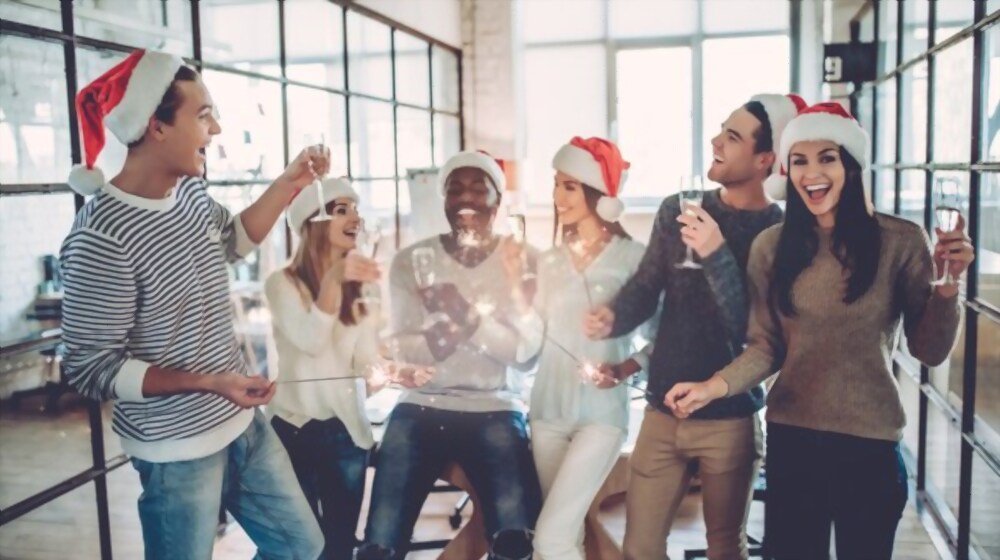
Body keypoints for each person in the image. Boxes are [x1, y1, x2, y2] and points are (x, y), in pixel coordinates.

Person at [665, 102, 973, 559]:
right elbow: (766, 347)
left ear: (850, 164)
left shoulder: (901, 241)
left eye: (827, 157)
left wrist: (949, 288)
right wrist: (712, 387)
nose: (812, 173)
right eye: (800, 161)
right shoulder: (773, 246)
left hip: (870, 447)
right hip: (794, 442)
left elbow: (928, 350)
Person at [60, 49, 326, 559]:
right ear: (156, 127)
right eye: (203, 115)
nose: (217, 129)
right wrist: (208, 382)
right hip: (175, 452)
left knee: (302, 547)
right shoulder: (102, 236)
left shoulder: (189, 195)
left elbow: (232, 240)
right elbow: (92, 368)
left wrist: (291, 182)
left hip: (242, 425)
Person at [584, 95, 806, 559]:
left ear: (766, 159)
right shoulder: (675, 209)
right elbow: (646, 286)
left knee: (725, 546)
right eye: (720, 130)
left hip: (730, 420)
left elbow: (749, 332)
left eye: (732, 136)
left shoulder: (778, 232)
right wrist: (612, 317)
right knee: (639, 548)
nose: (715, 141)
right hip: (662, 411)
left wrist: (715, 252)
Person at [355, 151, 541, 560]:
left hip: (495, 406)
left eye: (479, 187)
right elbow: (404, 346)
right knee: (379, 541)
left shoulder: (522, 260)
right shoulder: (412, 261)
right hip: (421, 405)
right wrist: (469, 332)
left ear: (498, 198)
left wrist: (465, 318)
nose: (465, 197)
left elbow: (525, 354)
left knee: (515, 537)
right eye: (454, 188)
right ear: (442, 199)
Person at [504, 137, 654, 560]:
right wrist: (517, 290)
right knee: (565, 535)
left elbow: (662, 337)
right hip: (547, 412)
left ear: (599, 194)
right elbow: (528, 348)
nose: (557, 197)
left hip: (602, 418)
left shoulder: (635, 258)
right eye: (556, 184)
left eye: (570, 185)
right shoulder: (550, 261)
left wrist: (625, 368)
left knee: (549, 538)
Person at [265, 177, 429, 559]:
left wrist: (395, 371)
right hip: (292, 431)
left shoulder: (365, 289)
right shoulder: (282, 284)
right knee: (298, 547)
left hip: (346, 433)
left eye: (355, 209)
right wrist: (335, 279)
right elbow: (310, 340)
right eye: (342, 209)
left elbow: (365, 362)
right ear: (314, 222)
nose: (355, 216)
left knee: (339, 546)